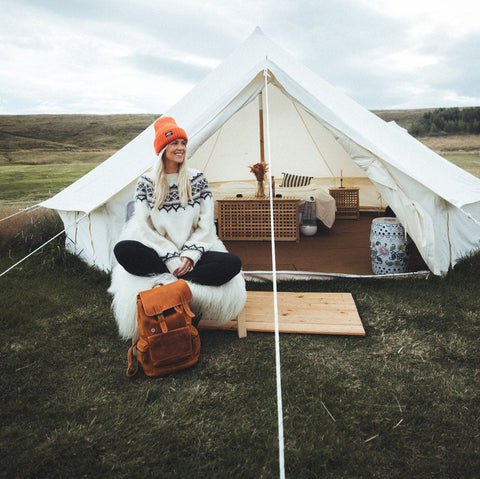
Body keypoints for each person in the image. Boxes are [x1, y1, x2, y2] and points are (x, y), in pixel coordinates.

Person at [113, 116, 242, 287]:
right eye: (175, 143)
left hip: (193, 252)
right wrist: (170, 257)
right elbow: (146, 227)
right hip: (160, 252)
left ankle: (175, 281)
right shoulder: (146, 182)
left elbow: (206, 224)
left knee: (232, 263)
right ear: (163, 148)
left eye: (183, 143)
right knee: (123, 249)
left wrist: (190, 255)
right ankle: (182, 277)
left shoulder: (197, 179)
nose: (181, 148)